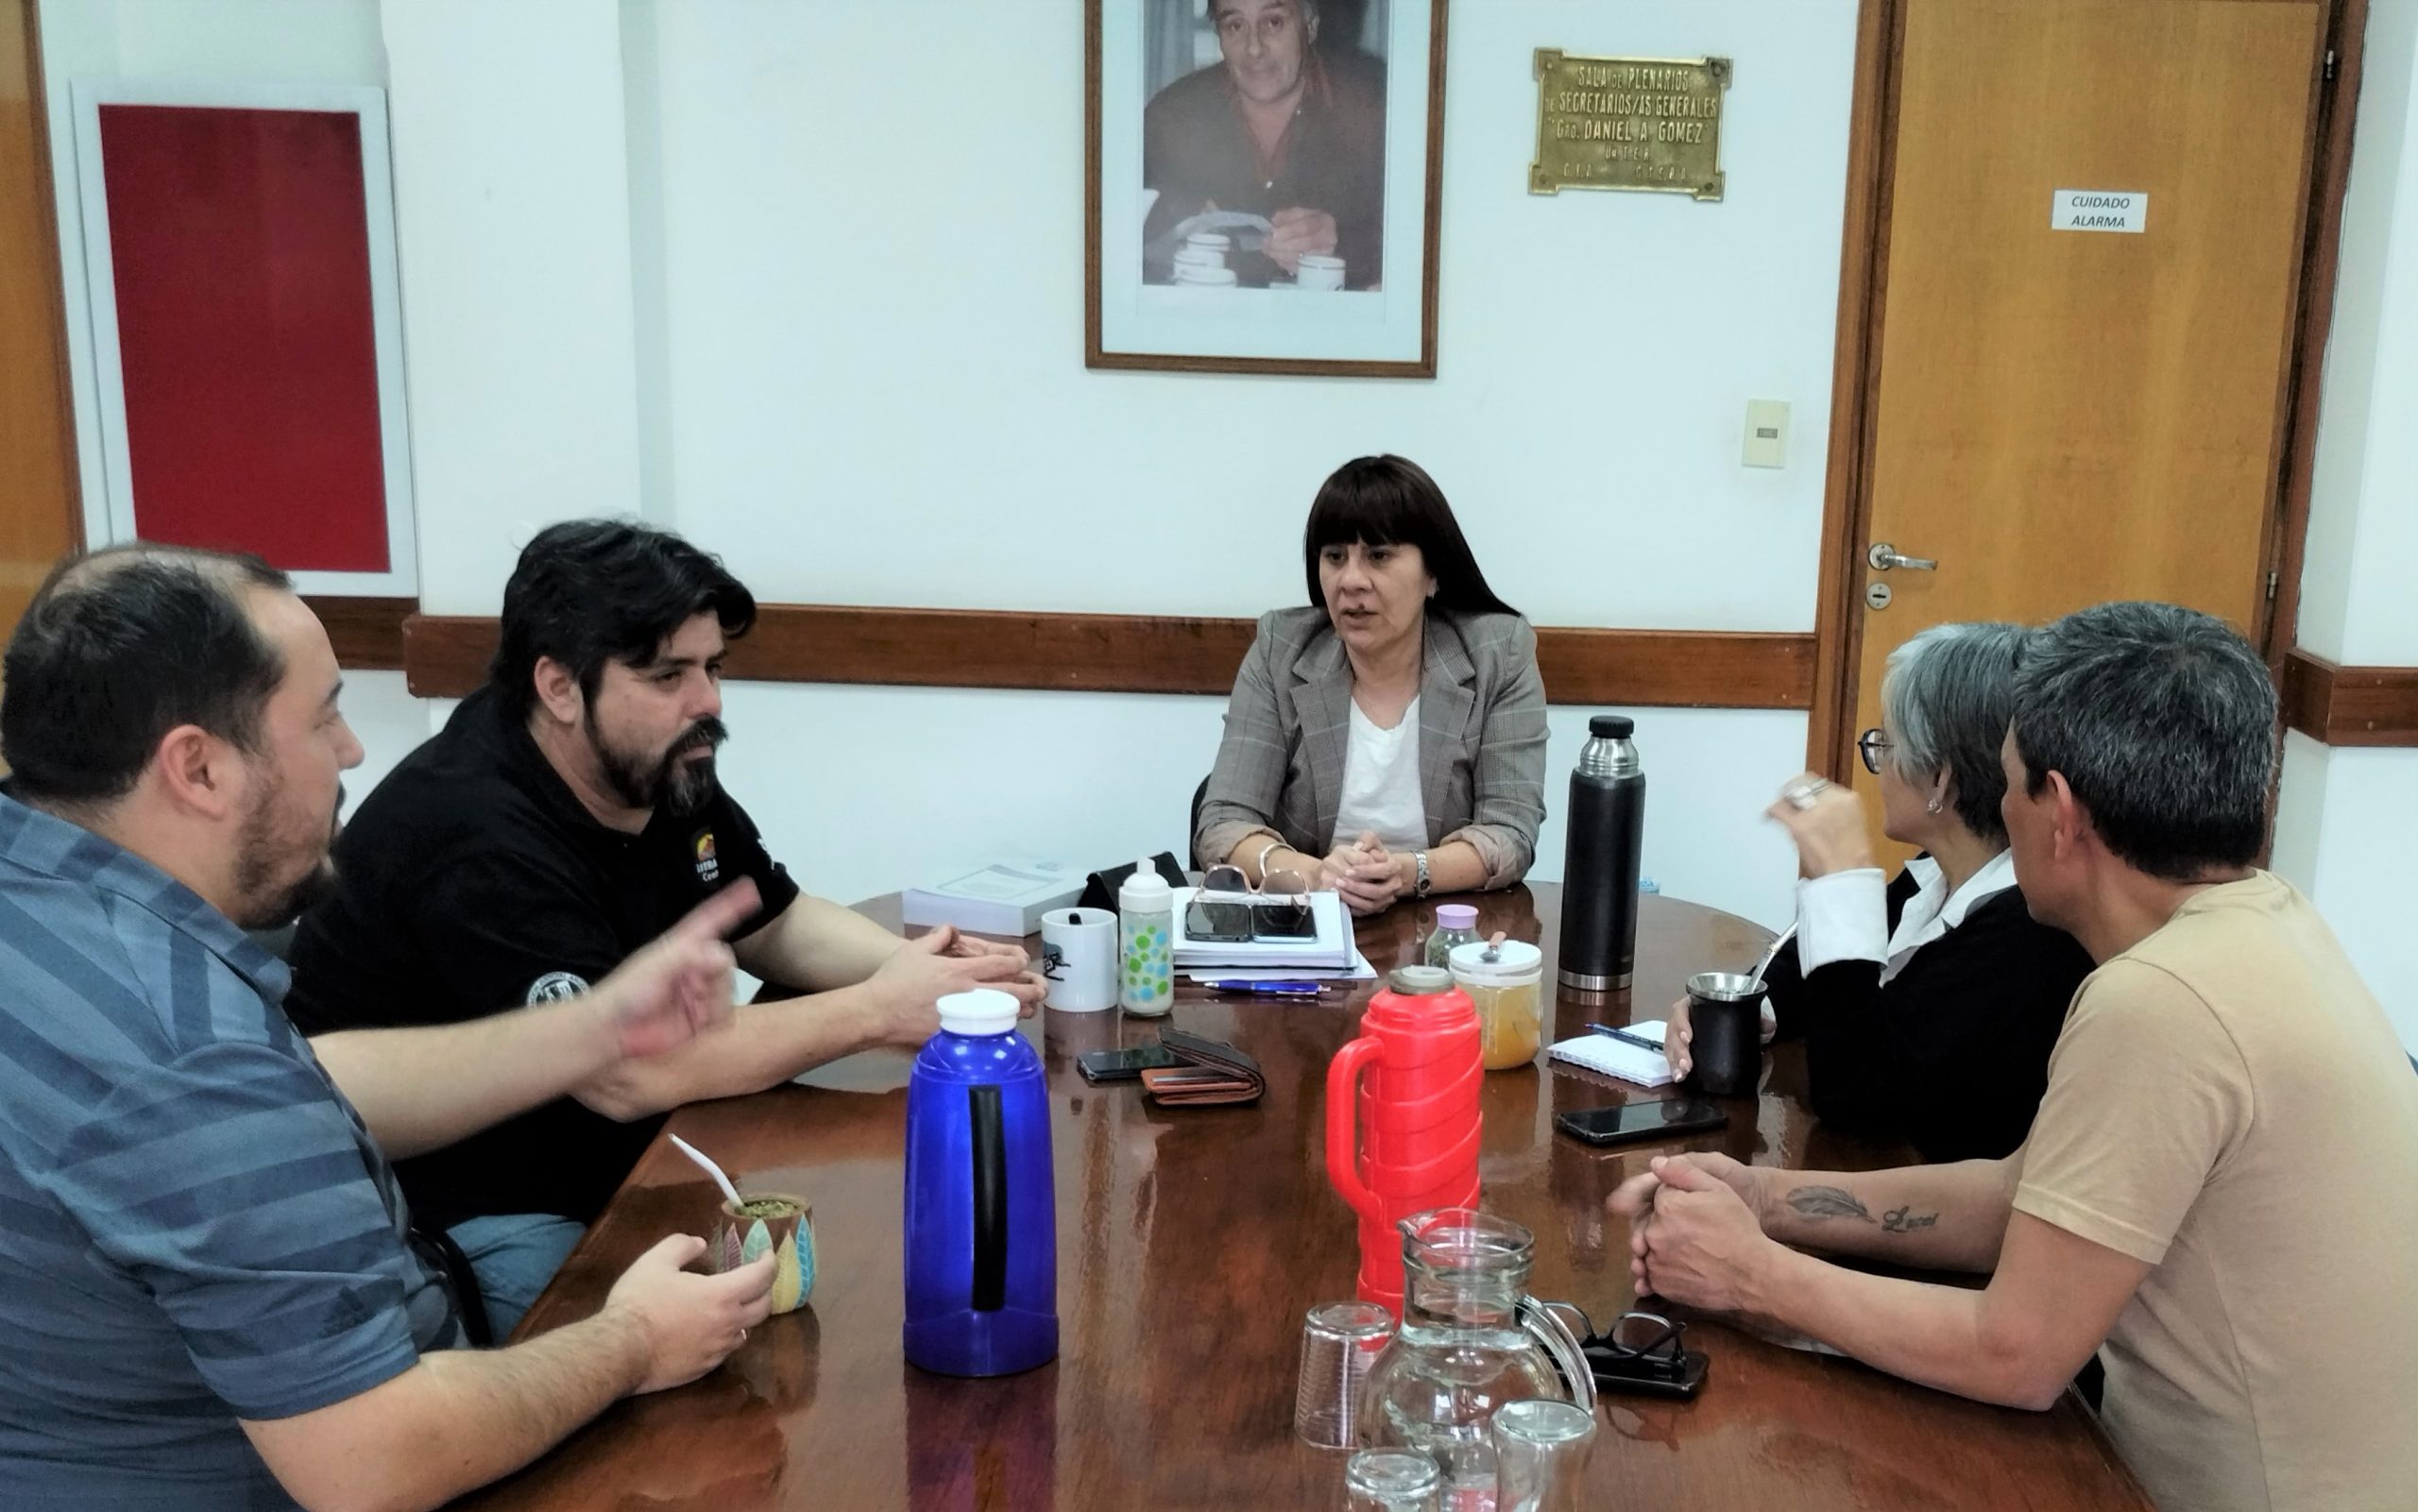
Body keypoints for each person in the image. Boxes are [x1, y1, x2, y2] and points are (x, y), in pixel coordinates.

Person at [0, 544, 778, 1510]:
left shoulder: (51, 901)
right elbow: (381, 1457)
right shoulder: (187, 1058)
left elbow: (304, 1083)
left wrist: (600, 1024)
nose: (353, 750)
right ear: (198, 767)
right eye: (323, 714)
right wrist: (633, 1340)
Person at [1610, 602, 2418, 1512]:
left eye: (2010, 785)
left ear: (2061, 812)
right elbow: (2016, 1196)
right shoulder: (2267, 920)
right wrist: (1761, 1197)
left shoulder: (2159, 1002)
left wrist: (1751, 1273)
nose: (1998, 811)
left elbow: (2018, 1352)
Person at [287, 521, 1043, 1335]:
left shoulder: (650, 761)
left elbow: (775, 921)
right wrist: (874, 1011)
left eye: (713, 668)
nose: (708, 702)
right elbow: (624, 1076)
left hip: (634, 1153)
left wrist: (931, 972)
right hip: (472, 1209)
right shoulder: (469, 827)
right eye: (667, 674)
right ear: (559, 686)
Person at [1663, 623, 2094, 1161]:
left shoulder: (2024, 936)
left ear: (1940, 778)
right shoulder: (1934, 876)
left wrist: (1843, 878)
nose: (1879, 765)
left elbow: (1855, 1095)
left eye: (1886, 744)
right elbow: (1810, 972)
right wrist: (1744, 1008)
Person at [1194, 455, 1546, 916]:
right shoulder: (1281, 649)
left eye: (1378, 556)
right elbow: (1224, 824)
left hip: (1447, 936)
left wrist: (1403, 872)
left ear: (1432, 573)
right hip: (1304, 928)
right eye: (1335, 557)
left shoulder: (1498, 652)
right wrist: (1316, 875)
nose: (1351, 581)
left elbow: (1510, 833)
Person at [1141, 0, 1387, 288]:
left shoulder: (1375, 112)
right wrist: (1172, 224)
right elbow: (1117, 249)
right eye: (1235, 25)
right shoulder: (1171, 117)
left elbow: (1423, 249)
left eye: (1274, 22)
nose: (1254, 48)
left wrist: (1342, 246)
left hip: (1332, 330)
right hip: (1206, 328)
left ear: (1310, 25)